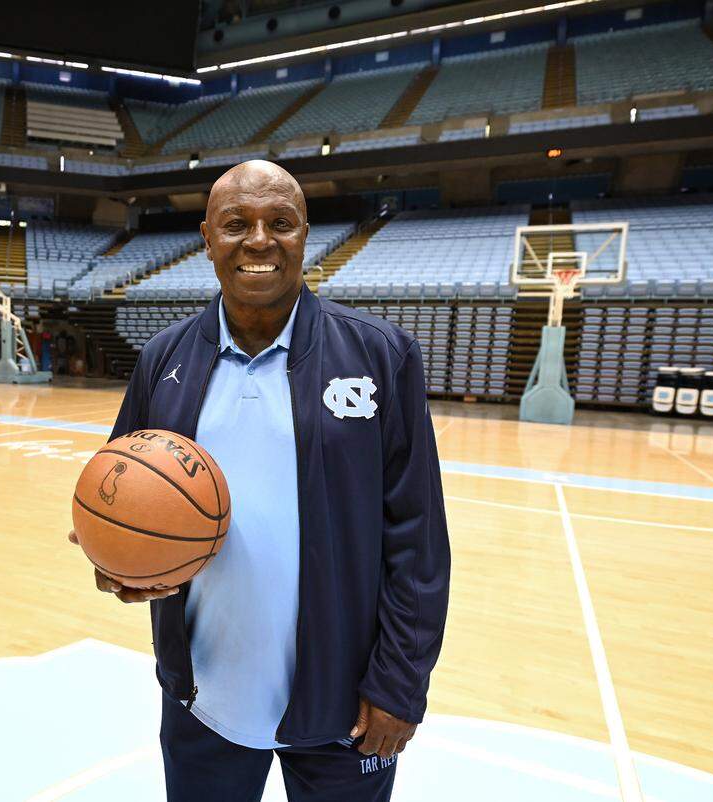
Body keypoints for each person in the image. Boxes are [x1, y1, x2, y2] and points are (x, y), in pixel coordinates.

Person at [69, 161, 450, 801]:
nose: (259, 241)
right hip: (202, 700)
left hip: (347, 705)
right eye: (236, 224)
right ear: (207, 237)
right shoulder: (165, 357)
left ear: (305, 234)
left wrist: (400, 684)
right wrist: (123, 565)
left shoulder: (380, 355)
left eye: (281, 223)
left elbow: (417, 540)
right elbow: (120, 494)